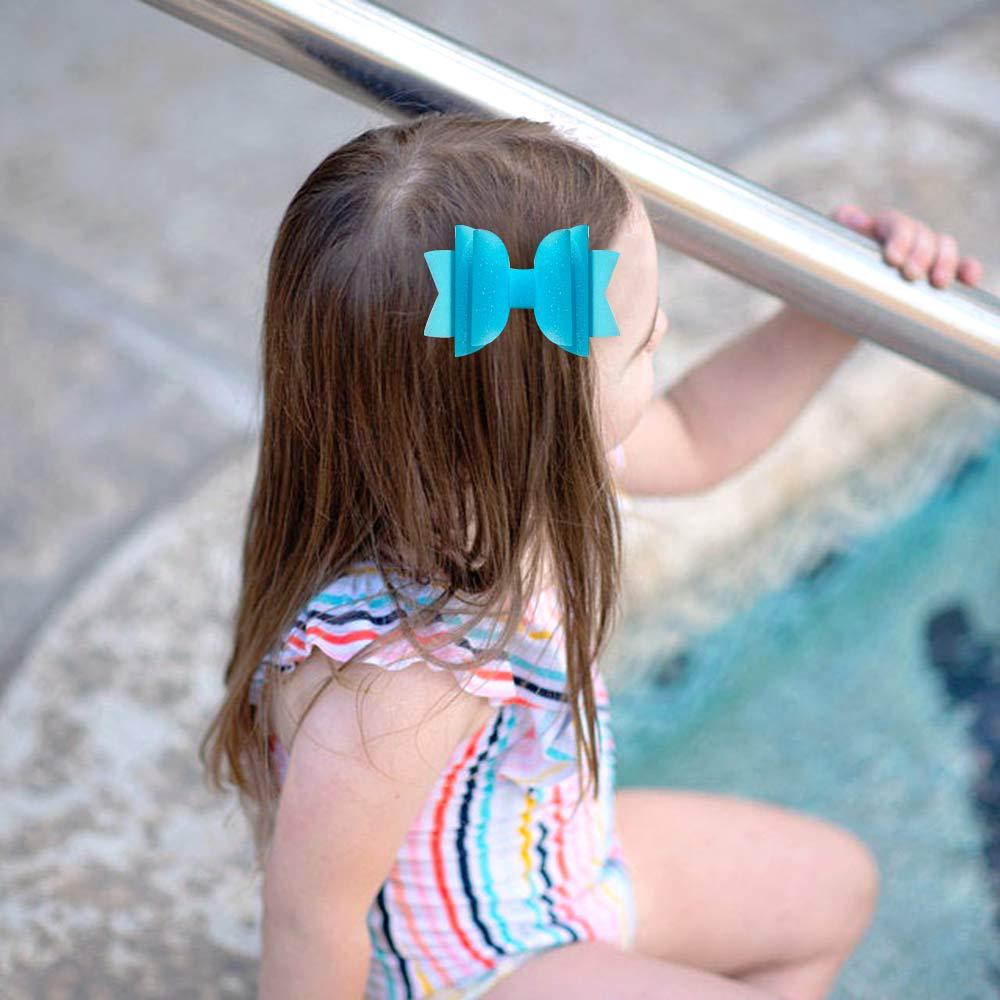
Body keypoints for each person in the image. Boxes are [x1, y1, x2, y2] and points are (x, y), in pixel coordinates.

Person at [198, 112, 984, 1000]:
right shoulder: (400, 679)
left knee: (833, 889)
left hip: (550, 864)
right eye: (644, 341)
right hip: (477, 971)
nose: (663, 330)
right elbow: (310, 922)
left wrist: (839, 308)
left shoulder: (513, 467)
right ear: (539, 402)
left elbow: (701, 434)